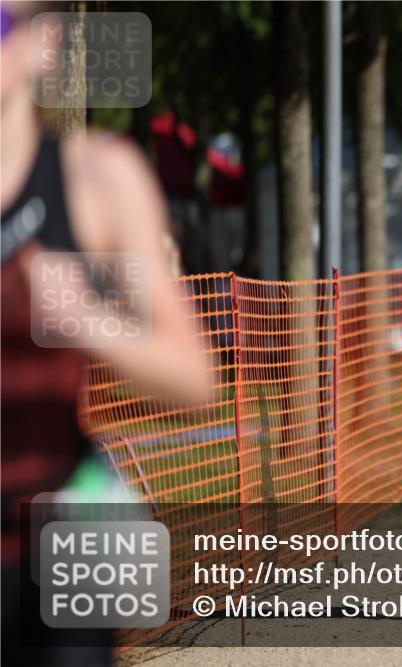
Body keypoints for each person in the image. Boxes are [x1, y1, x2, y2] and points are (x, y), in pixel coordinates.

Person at [1, 4, 213, 664]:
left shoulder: (96, 178)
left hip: (58, 543)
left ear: (44, 42)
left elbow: (194, 375)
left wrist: (89, 319)